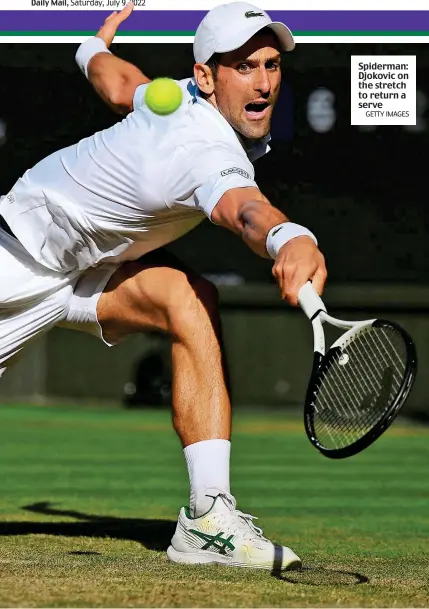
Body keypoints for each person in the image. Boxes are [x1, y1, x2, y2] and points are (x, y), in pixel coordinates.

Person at [0, 1, 327, 570]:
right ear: (206, 76)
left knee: (188, 297)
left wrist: (91, 49)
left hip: (88, 270)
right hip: (17, 255)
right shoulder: (205, 150)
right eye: (244, 67)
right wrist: (288, 237)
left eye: (272, 65)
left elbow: (122, 85)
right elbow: (245, 210)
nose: (265, 82)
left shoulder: (173, 95)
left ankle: (207, 518)